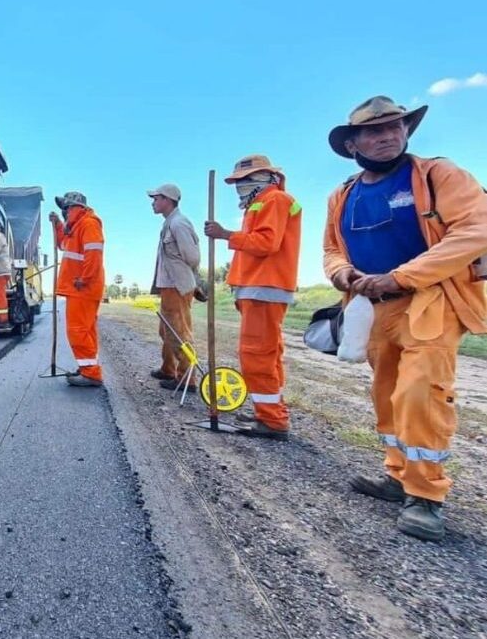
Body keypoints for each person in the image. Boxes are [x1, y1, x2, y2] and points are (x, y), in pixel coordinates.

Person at [323, 95, 487, 541]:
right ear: (353, 142)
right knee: (388, 393)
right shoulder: (343, 194)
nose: (388, 136)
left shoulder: (438, 175)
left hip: (430, 299)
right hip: (373, 309)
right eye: (375, 131)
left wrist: (401, 276)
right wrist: (344, 274)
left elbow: (475, 230)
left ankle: (427, 496)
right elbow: (332, 249)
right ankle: (397, 476)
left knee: (421, 393)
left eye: (395, 127)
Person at [204, 155, 301, 440]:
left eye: (245, 180)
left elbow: (266, 243)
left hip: (265, 287)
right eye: (237, 182)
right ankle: (268, 409)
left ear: (264, 178)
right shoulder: (261, 204)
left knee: (257, 355)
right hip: (257, 287)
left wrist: (225, 234)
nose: (239, 187)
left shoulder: (274, 201)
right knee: (269, 355)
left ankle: (272, 420)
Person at [147, 183, 201, 390]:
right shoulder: (169, 223)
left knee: (179, 333)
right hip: (169, 287)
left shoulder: (179, 223)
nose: (153, 203)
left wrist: (185, 279)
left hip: (177, 287)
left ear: (167, 200)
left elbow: (193, 257)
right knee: (167, 331)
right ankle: (168, 369)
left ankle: (187, 379)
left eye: (156, 199)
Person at [50, 191, 106, 387]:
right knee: (86, 330)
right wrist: (57, 225)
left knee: (78, 330)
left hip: (83, 286)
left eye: (66, 209)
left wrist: (85, 277)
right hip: (81, 286)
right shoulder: (76, 228)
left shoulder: (89, 223)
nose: (64, 213)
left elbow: (94, 253)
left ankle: (91, 373)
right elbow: (63, 244)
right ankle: (89, 368)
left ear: (75, 208)